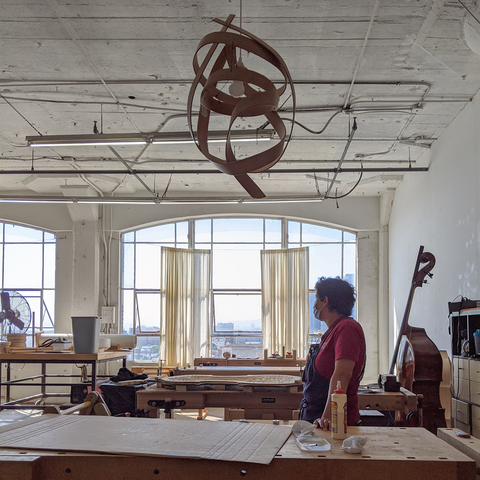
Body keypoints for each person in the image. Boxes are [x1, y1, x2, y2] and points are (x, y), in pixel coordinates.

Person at [299, 277, 366, 430]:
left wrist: (329, 416)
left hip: (333, 425)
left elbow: (342, 374)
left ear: (325, 301)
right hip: (315, 417)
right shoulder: (331, 332)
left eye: (317, 299)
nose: (315, 304)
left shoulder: (347, 328)